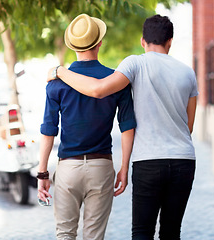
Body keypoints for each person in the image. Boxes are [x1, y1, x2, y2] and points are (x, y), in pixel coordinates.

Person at [47, 14, 198, 240]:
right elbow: (189, 126)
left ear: (142, 41)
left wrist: (60, 71)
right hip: (184, 160)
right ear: (170, 41)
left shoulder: (135, 63)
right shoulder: (188, 72)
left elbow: (98, 89)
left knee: (142, 232)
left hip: (148, 161)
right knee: (171, 232)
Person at [37, 13, 136, 240]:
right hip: (101, 167)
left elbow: (48, 130)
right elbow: (127, 126)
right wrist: (124, 168)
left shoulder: (56, 84)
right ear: (100, 43)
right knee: (94, 237)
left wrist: (42, 171)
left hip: (68, 169)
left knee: (64, 234)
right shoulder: (115, 80)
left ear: (72, 46)